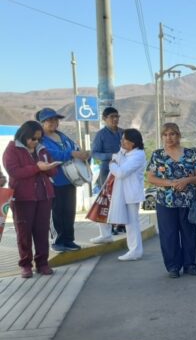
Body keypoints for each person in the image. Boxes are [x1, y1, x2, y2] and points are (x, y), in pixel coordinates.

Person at [146, 123, 196, 278]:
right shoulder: (157, 155)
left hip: (188, 201)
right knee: (168, 234)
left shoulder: (191, 153)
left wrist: (186, 180)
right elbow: (151, 177)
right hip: (165, 201)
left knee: (189, 233)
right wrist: (170, 183)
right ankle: (173, 267)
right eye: (165, 134)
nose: (169, 137)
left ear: (178, 135)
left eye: (172, 134)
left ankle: (190, 265)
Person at [2, 121, 58, 278]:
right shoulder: (12, 149)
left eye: (39, 139)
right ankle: (25, 265)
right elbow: (14, 171)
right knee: (24, 232)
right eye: (33, 138)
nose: (36, 142)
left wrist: (50, 168)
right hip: (22, 197)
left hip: (44, 196)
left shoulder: (42, 149)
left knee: (41, 231)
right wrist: (37, 168)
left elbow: (53, 171)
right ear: (24, 135)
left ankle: (42, 263)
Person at [37, 107, 90, 252]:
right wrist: (72, 153)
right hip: (54, 180)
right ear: (42, 122)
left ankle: (68, 240)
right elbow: (49, 154)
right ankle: (57, 241)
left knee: (69, 211)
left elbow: (75, 148)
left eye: (56, 119)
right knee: (56, 211)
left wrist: (83, 154)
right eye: (50, 120)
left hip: (69, 180)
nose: (54, 122)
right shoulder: (40, 140)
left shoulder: (63, 136)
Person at [107, 129, 146, 261]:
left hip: (132, 193)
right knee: (128, 223)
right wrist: (116, 160)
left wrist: (112, 165)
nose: (121, 142)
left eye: (124, 139)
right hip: (123, 192)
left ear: (133, 142)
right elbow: (118, 160)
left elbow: (121, 172)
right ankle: (134, 250)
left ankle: (135, 251)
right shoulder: (126, 152)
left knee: (132, 223)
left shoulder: (138, 155)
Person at [90, 106, 124, 243]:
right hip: (107, 172)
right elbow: (95, 153)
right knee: (105, 202)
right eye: (112, 117)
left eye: (117, 116)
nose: (115, 119)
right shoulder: (101, 135)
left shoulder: (124, 133)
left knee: (123, 202)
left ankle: (122, 227)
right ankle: (105, 234)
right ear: (104, 119)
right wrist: (111, 156)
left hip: (124, 172)